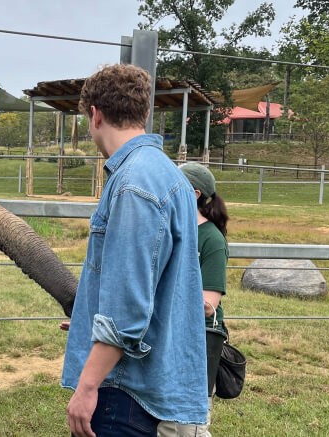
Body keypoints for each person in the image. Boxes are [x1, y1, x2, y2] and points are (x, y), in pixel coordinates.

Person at [61, 63, 208, 437]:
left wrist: (88, 385)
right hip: (152, 382)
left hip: (123, 393)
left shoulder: (133, 185)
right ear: (143, 113)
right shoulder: (168, 174)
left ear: (94, 115)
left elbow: (127, 312)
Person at [157, 162, 230, 437]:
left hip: (195, 346)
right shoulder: (172, 230)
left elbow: (207, 305)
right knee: (163, 424)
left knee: (187, 428)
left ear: (194, 193)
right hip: (165, 342)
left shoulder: (211, 239)